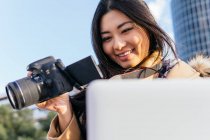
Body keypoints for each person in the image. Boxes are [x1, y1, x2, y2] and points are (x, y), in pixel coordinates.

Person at [36, 0, 206, 140]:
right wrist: (64, 111)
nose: (117, 45)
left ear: (147, 26)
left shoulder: (187, 79)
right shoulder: (92, 98)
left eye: (126, 30)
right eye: (107, 38)